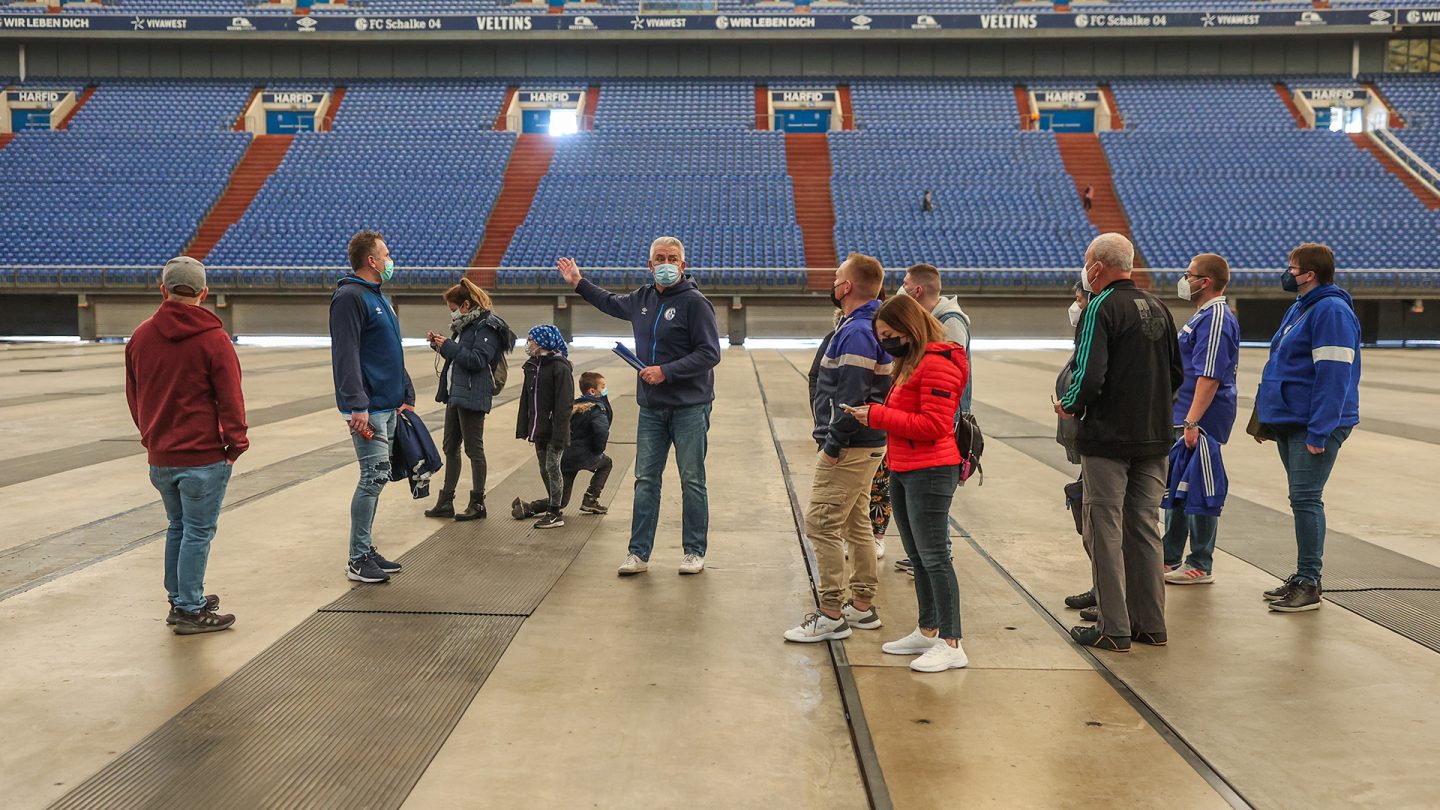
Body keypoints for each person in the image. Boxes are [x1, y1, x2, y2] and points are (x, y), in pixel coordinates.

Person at [556, 239, 722, 576]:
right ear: (650, 266)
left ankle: (693, 551)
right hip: (652, 407)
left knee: (692, 479)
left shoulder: (696, 303)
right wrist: (578, 282)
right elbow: (609, 301)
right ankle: (638, 553)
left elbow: (710, 353)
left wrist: (667, 371)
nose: (666, 263)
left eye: (673, 259)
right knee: (646, 479)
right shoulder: (641, 299)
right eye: (660, 258)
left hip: (690, 407)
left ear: (683, 265)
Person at [1055, 233, 1181, 652]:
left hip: (1109, 439)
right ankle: (1151, 624)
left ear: (1096, 267)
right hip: (1155, 437)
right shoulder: (1160, 308)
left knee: (1104, 527)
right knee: (1145, 529)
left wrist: (1069, 406)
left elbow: (1088, 376)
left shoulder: (1099, 308)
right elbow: (1176, 374)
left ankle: (1114, 627)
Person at [125, 256, 247, 635]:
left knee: (177, 527)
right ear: (203, 293)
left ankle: (179, 598)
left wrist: (151, 437)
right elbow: (231, 398)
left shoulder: (140, 337)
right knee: (198, 531)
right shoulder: (214, 340)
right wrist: (235, 444)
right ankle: (191, 609)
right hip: (203, 457)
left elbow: (135, 396)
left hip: (160, 456)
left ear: (163, 291)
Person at [849, 294, 969, 673]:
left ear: (909, 328)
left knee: (935, 557)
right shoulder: (910, 362)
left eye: (889, 334)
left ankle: (952, 642)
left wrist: (877, 416)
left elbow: (935, 425)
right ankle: (928, 628)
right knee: (918, 557)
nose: (886, 341)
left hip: (931, 469)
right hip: (905, 466)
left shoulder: (937, 363)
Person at [784, 254, 892, 643]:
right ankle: (862, 606)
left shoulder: (858, 332)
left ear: (848, 287)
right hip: (867, 445)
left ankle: (831, 613)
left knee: (821, 523)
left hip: (849, 446)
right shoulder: (866, 326)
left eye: (837, 277)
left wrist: (832, 444)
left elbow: (851, 400)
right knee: (856, 522)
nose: (833, 282)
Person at [1254, 243, 1361, 613]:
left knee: (1305, 499)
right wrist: (1268, 418)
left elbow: (1334, 375)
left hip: (1314, 424)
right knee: (1300, 499)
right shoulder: (1301, 307)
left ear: (1309, 274)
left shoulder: (1331, 311)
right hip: (1291, 420)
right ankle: (1302, 577)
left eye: (1291, 267)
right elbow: (1280, 366)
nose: (1286, 272)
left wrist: (1320, 430)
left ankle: (1310, 581)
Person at [330, 231, 415, 585]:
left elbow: (389, 351)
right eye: (386, 253)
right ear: (372, 260)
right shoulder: (350, 298)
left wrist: (405, 391)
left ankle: (366, 549)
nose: (390, 259)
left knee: (378, 478)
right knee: (372, 478)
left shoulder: (377, 296)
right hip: (368, 410)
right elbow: (346, 354)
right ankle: (357, 558)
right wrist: (356, 405)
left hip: (387, 405)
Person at [1163, 254, 1240, 585]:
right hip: (1185, 413)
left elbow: (1210, 375)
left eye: (1189, 274)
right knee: (1178, 488)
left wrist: (1193, 421)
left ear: (1205, 282)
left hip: (1202, 417)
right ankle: (1170, 558)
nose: (1184, 279)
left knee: (1200, 488)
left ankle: (1200, 563)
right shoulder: (1201, 316)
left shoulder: (1217, 317)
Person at [424, 277, 513, 522]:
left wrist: (449, 347)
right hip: (456, 393)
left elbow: (476, 360)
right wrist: (441, 345)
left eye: (453, 309)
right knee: (450, 447)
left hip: (473, 394)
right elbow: (460, 357)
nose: (452, 315)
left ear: (465, 305)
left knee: (474, 449)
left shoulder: (488, 327)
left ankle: (478, 503)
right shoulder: (466, 325)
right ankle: (446, 501)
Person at [512, 325, 574, 529]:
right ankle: (552, 504)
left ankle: (555, 512)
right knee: (543, 468)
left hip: (555, 430)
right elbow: (526, 400)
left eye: (531, 340)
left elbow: (564, 405)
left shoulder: (560, 368)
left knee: (552, 467)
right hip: (538, 429)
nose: (528, 344)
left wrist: (559, 435)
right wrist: (524, 427)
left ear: (543, 342)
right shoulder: (531, 366)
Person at [559, 372, 615, 516]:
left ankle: (529, 507)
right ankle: (590, 499)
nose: (605, 389)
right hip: (586, 454)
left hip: (567, 456)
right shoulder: (597, 409)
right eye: (603, 386)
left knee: (561, 501)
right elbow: (601, 431)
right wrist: (598, 450)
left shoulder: (575, 405)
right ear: (592, 391)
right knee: (606, 463)